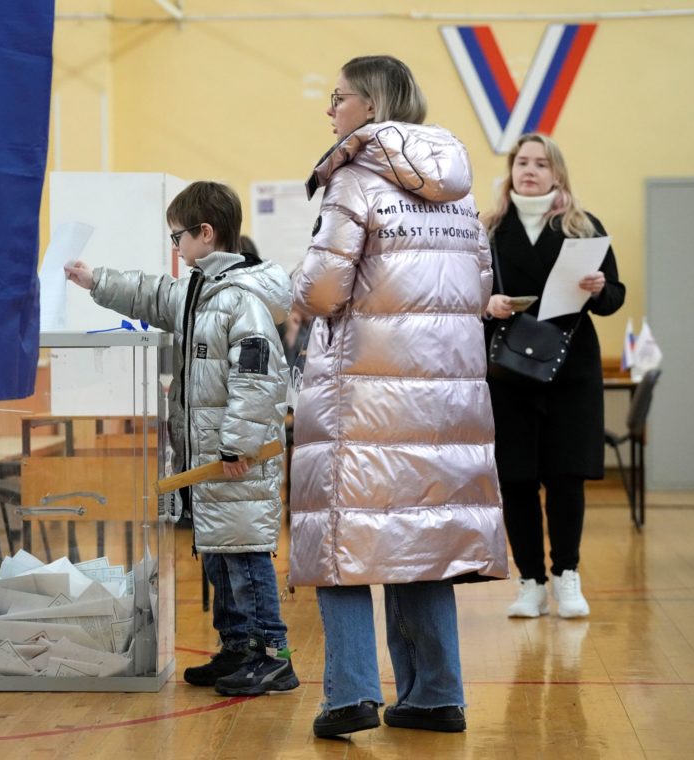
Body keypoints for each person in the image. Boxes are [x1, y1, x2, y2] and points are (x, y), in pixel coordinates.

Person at [287, 55, 508, 738]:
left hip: (363, 391)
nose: (330, 111)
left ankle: (351, 693)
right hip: (444, 396)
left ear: (373, 104)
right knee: (423, 540)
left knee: (340, 540)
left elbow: (322, 291)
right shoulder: (459, 191)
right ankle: (435, 696)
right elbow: (477, 288)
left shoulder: (354, 178)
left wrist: (294, 283)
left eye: (339, 97)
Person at [64, 181, 298, 697]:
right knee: (218, 554)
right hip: (210, 459)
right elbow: (149, 293)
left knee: (246, 556)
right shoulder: (198, 291)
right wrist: (95, 280)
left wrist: (237, 446)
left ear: (205, 233)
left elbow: (257, 378)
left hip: (236, 459)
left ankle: (273, 655)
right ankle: (237, 647)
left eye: (178, 237)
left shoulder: (242, 299)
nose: (175, 247)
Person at [482, 133, 625, 619]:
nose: (530, 170)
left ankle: (567, 575)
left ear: (557, 172)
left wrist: (600, 288)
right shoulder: (489, 228)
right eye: (522, 162)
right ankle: (530, 582)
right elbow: (463, 294)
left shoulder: (583, 227)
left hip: (571, 370)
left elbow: (614, 297)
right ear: (511, 169)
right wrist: (487, 305)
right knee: (517, 480)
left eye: (541, 163)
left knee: (566, 478)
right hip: (509, 371)